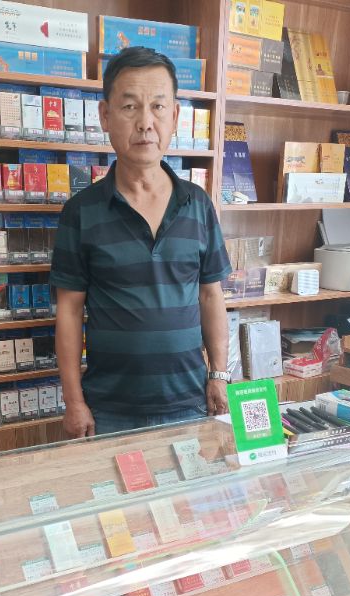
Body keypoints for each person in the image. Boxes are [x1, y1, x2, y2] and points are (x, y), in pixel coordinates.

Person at [50, 46, 232, 438]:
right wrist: (74, 401)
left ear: (175, 116)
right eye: (130, 106)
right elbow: (69, 311)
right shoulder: (80, 212)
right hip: (109, 409)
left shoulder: (198, 204)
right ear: (105, 116)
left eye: (158, 107)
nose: (145, 123)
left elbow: (211, 296)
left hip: (189, 403)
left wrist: (219, 374)